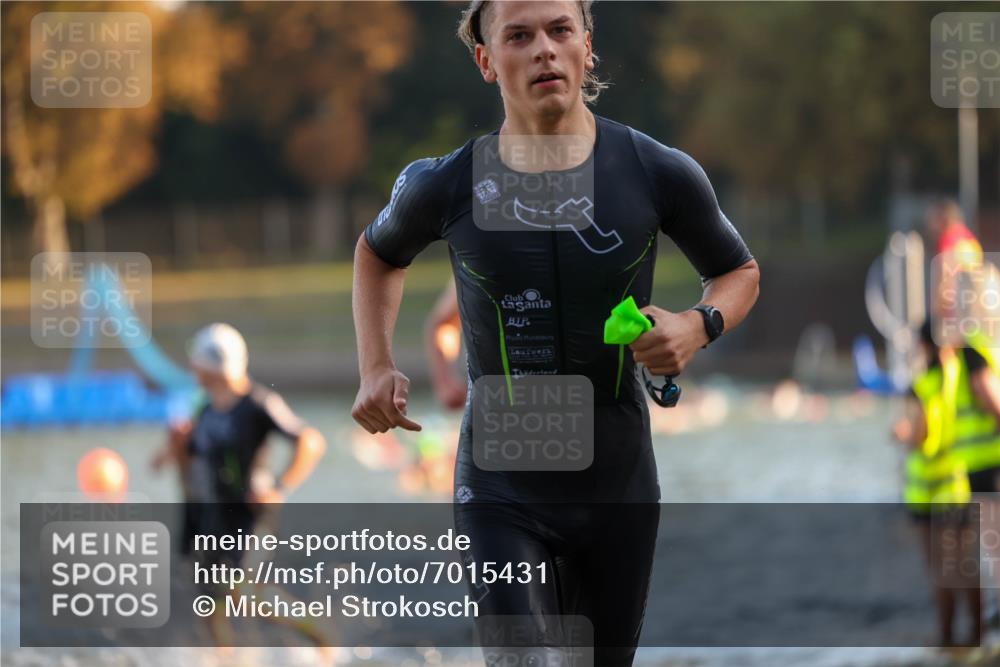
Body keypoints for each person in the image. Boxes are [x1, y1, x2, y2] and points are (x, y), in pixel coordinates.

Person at [351, 2, 760, 664]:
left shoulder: (655, 171)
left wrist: (697, 323)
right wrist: (375, 364)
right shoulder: (449, 183)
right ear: (486, 61)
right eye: (519, 35)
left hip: (618, 486)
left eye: (559, 30)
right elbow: (378, 254)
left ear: (587, 48)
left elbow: (737, 271)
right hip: (502, 490)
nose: (543, 48)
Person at [169, 323, 330, 651]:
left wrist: (281, 487)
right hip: (216, 513)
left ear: (214, 366)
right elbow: (187, 458)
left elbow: (310, 441)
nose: (192, 368)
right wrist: (175, 448)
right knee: (211, 600)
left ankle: (316, 630)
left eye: (197, 362)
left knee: (244, 594)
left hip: (251, 514)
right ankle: (225, 658)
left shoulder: (258, 403)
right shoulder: (205, 407)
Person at [893, 322, 981, 648]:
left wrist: (902, 433)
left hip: (928, 490)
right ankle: (976, 636)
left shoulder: (923, 385)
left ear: (922, 347)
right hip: (958, 482)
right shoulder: (960, 379)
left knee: (941, 571)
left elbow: (921, 434)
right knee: (965, 565)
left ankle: (946, 639)